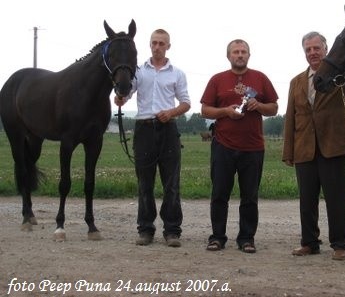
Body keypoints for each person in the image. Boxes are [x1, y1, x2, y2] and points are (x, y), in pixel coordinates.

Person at [282, 31, 345, 260]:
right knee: (307, 200)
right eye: (308, 49)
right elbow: (291, 118)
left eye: (317, 48)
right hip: (304, 148)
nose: (312, 53)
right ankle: (309, 242)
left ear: (326, 49)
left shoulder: (340, 77)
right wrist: (288, 151)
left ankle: (340, 244)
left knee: (336, 199)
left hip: (334, 146)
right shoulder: (296, 82)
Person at [200, 39, 278, 253]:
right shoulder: (217, 79)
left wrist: (259, 105)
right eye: (236, 52)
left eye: (243, 52)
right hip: (223, 145)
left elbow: (274, 108)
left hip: (253, 147)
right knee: (219, 194)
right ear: (229, 56)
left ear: (249, 56)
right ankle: (217, 237)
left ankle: (246, 239)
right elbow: (205, 110)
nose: (240, 55)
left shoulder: (260, 78)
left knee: (250, 196)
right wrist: (225, 111)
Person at [114, 28, 191, 247]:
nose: (157, 47)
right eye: (154, 43)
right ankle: (146, 229)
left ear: (168, 46)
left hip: (168, 129)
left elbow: (186, 102)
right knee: (144, 183)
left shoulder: (177, 73)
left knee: (171, 183)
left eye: (161, 43)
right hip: (144, 128)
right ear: (149, 45)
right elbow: (127, 94)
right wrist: (120, 98)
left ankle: (172, 230)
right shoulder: (138, 71)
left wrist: (171, 112)